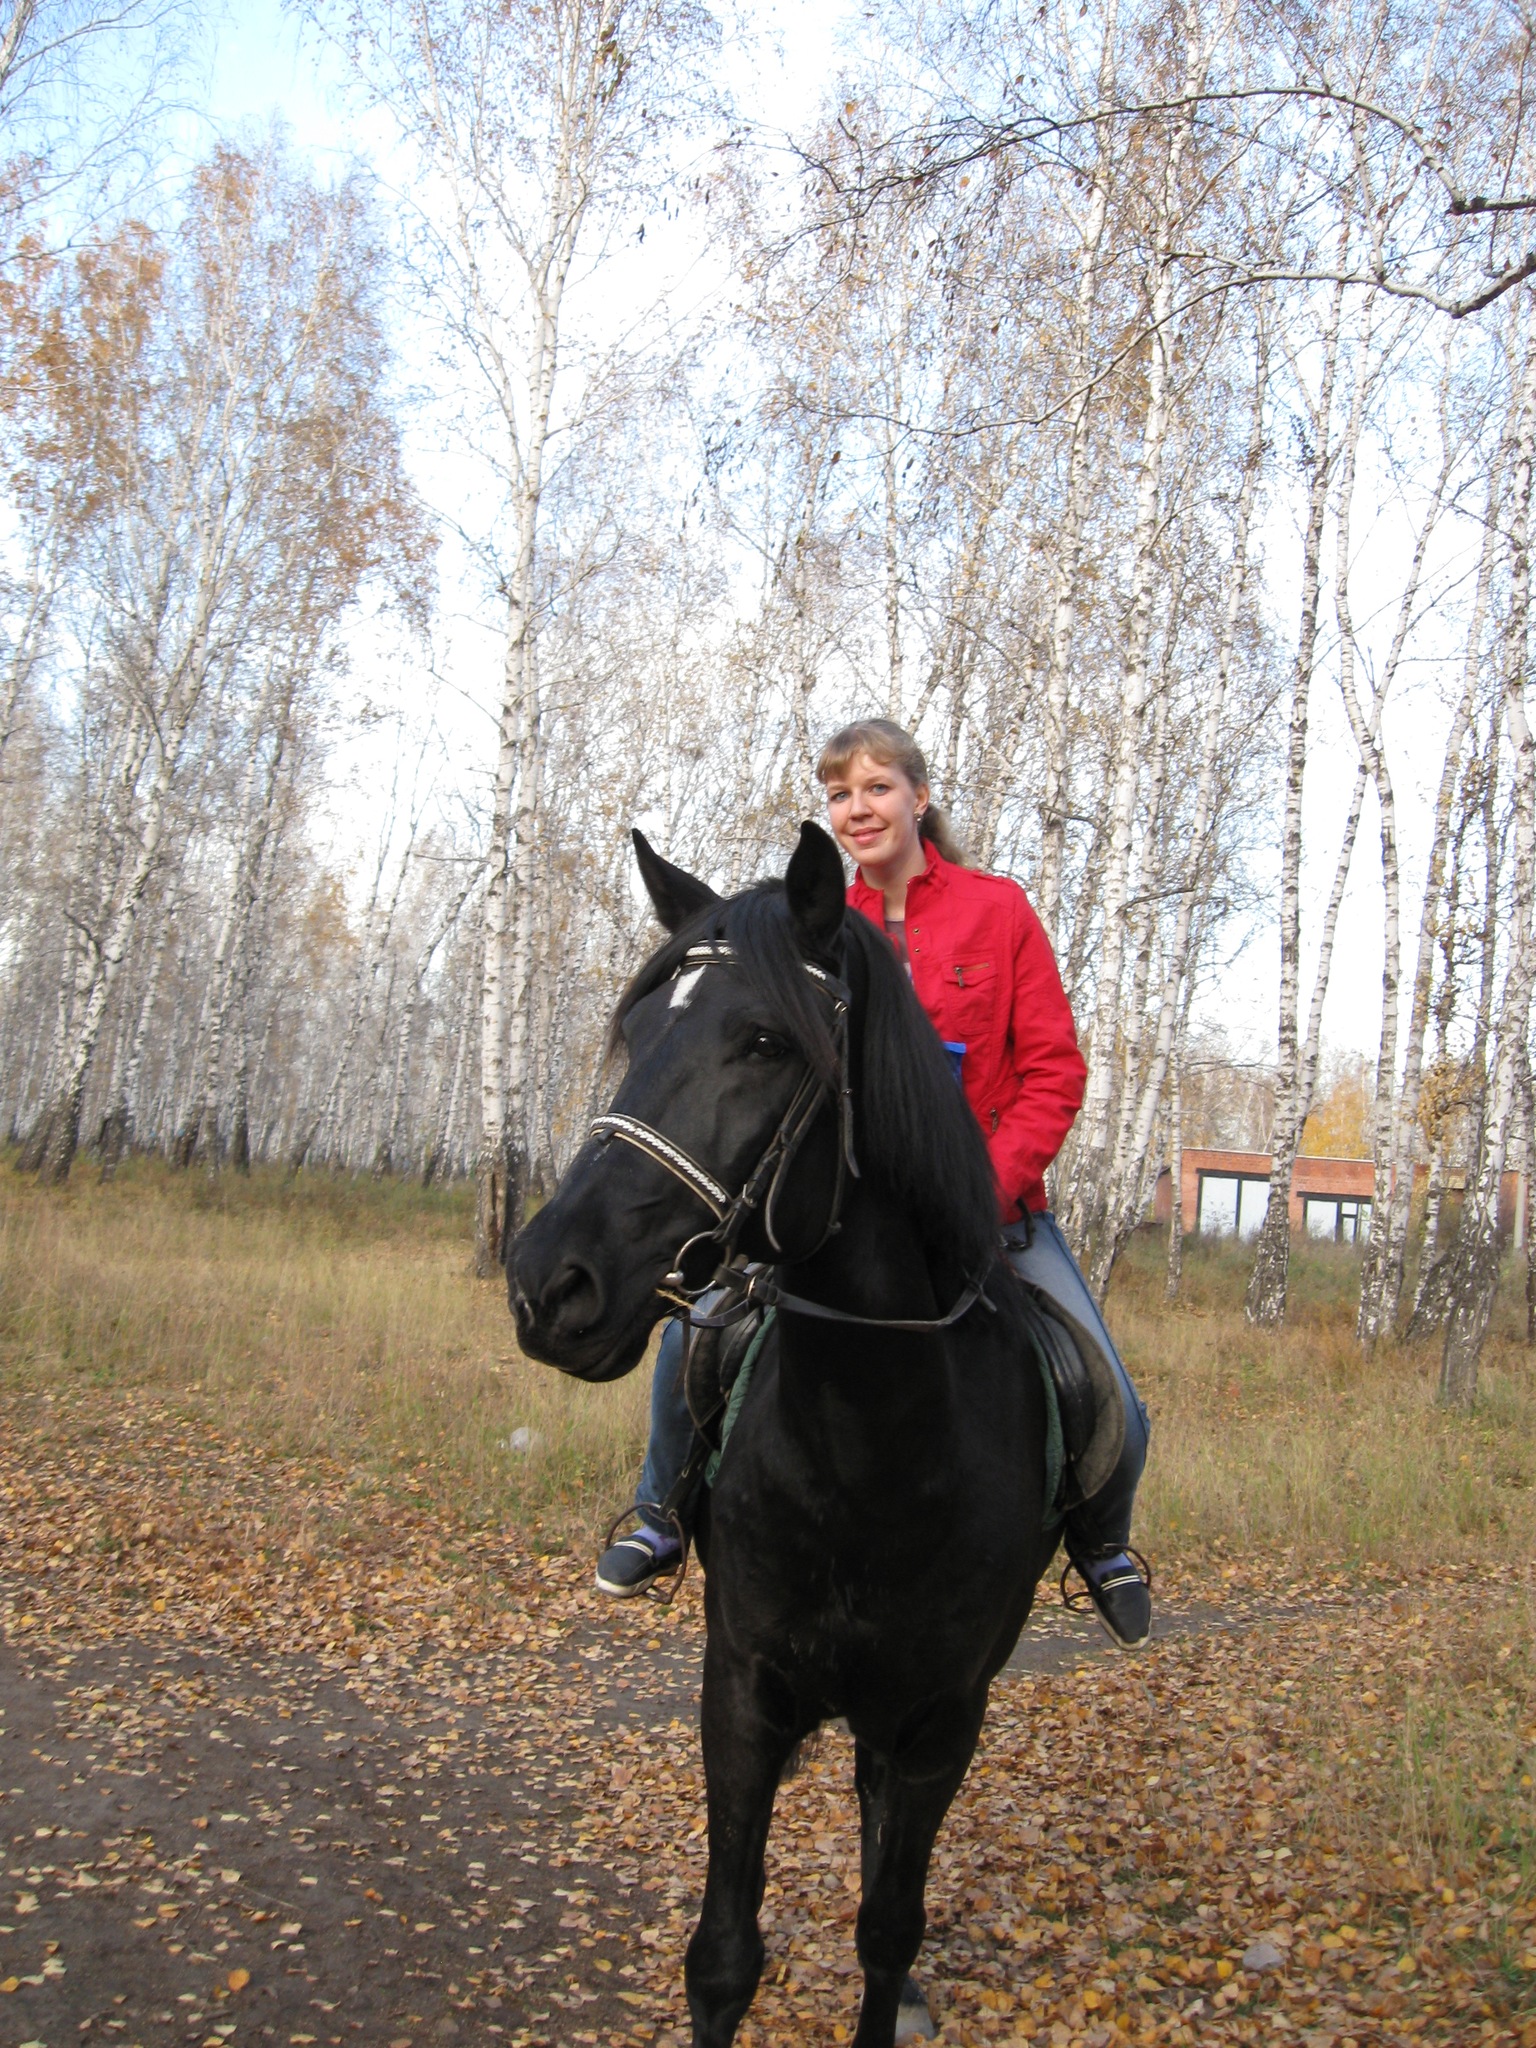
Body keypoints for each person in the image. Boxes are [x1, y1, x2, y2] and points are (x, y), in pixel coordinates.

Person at [595, 719, 1152, 1650]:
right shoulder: (811, 928)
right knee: (695, 1340)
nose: (858, 809)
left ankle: (1101, 1544)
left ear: (919, 798)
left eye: (877, 788)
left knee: (1110, 1397)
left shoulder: (998, 912)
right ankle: (660, 1511)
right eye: (839, 794)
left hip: (996, 1217)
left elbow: (1054, 1072)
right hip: (832, 1219)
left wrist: (983, 1192)